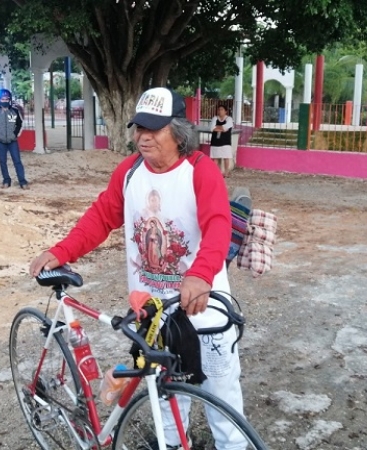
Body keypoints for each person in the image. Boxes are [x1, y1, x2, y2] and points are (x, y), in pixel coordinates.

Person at [29, 87, 245, 449]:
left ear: (178, 132)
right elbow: (101, 217)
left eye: (153, 130)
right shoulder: (129, 172)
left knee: (219, 389)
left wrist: (199, 273)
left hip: (199, 302)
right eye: (138, 128)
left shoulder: (200, 171)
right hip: (151, 306)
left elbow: (219, 225)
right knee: (165, 389)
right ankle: (173, 443)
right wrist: (62, 250)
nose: (142, 137)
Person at [0, 89, 29, 189]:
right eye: (3, 98)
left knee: (17, 161)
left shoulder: (14, 111)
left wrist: (16, 134)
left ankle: (22, 181)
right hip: (0, 141)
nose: (5, 100)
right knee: (2, 161)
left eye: (7, 98)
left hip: (12, 141)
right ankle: (6, 180)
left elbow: (20, 123)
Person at [209, 104, 234, 177]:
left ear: (226, 111)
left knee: (226, 157)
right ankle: (215, 172)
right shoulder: (215, 118)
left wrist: (217, 127)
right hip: (215, 141)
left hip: (225, 141)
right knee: (215, 158)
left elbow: (225, 128)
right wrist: (220, 128)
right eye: (219, 109)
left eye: (222, 109)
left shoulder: (229, 119)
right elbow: (211, 128)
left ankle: (226, 172)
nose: (220, 111)